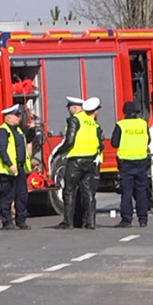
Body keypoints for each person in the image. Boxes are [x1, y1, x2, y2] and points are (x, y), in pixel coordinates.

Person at [54, 96, 102, 229]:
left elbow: (70, 140)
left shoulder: (75, 120)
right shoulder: (91, 121)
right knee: (88, 192)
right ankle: (90, 222)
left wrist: (59, 152)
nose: (69, 110)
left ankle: (68, 222)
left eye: (69, 107)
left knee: (69, 190)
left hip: (76, 160)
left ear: (74, 108)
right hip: (89, 160)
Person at [112, 100, 150, 228]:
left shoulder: (121, 125)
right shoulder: (143, 124)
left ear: (124, 113)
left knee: (126, 192)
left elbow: (114, 143)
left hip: (126, 164)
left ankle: (126, 220)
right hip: (141, 162)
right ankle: (143, 219)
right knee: (141, 191)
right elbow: (148, 140)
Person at [0, 104, 31, 230]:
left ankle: (21, 220)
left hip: (19, 167)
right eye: (17, 115)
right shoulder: (3, 130)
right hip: (8, 169)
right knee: (8, 196)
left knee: (22, 195)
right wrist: (9, 164)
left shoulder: (18, 130)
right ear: (9, 117)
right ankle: (7, 221)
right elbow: (2, 150)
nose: (19, 118)